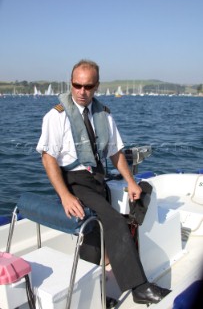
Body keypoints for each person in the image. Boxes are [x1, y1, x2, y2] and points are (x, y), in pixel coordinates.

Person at [36, 59, 170, 307]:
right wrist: (65, 195)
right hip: (74, 181)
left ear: (96, 86)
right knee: (114, 221)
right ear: (71, 83)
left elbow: (116, 152)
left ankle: (90, 295)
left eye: (88, 86)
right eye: (77, 85)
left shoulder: (104, 115)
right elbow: (48, 159)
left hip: (97, 179)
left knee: (95, 239)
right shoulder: (56, 117)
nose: (82, 91)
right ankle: (139, 288)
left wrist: (131, 182)